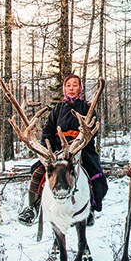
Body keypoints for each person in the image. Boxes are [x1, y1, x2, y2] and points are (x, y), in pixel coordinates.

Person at [17, 74, 108, 227]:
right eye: (68, 85)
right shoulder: (58, 109)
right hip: (57, 151)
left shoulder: (86, 107)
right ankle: (32, 207)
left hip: (81, 148)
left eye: (75, 85)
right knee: (38, 171)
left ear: (80, 88)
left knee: (96, 176)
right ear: (64, 89)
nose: (71, 88)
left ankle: (91, 208)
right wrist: (47, 148)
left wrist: (77, 143)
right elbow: (47, 131)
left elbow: (92, 129)